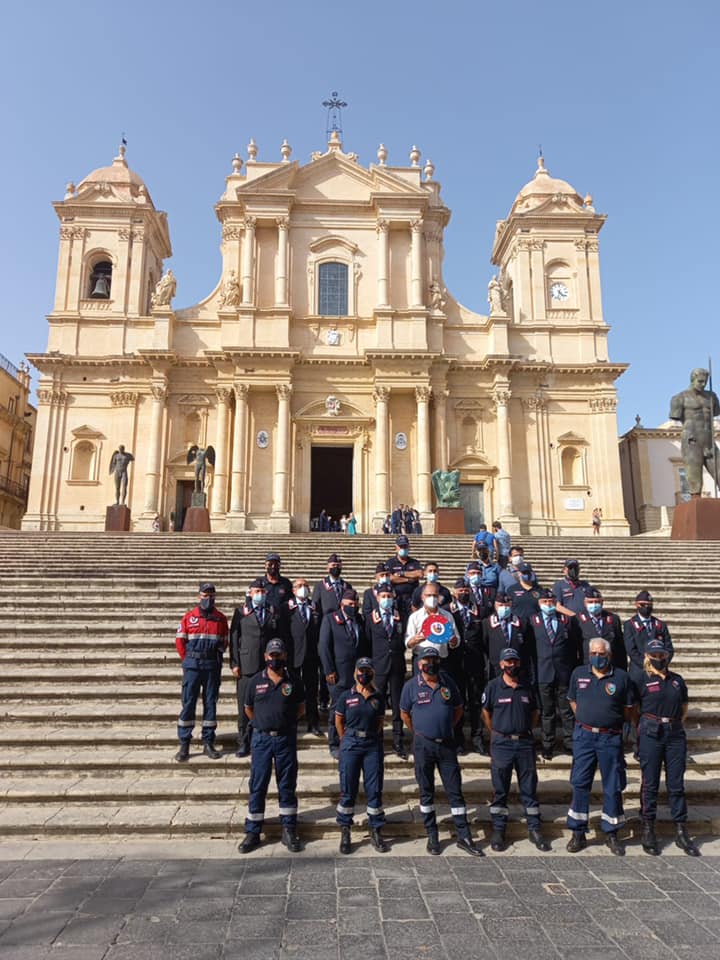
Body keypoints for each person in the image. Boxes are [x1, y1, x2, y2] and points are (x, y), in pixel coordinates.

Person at [400, 645, 483, 856]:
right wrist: (420, 731)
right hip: (423, 745)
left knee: (455, 791)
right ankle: (432, 836)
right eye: (426, 660)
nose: (431, 664)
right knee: (426, 792)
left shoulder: (448, 683)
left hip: (446, 744)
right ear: (419, 663)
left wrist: (445, 727)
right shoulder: (411, 686)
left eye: (434, 660)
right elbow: (404, 714)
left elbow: (458, 709)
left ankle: (464, 836)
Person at [632, 638, 699, 856]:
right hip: (651, 732)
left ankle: (681, 829)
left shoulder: (677, 680)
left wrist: (673, 724)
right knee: (649, 784)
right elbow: (633, 710)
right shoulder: (641, 679)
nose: (659, 659)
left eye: (662, 655)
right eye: (655, 655)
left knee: (676, 784)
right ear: (647, 656)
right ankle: (648, 828)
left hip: (675, 734)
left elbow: (684, 707)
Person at [566, 637, 633, 855]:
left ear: (609, 655)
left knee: (613, 786)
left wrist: (607, 722)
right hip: (584, 737)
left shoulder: (622, 677)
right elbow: (573, 701)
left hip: (609, 738)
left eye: (601, 653)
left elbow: (628, 710)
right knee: (579, 783)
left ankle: (612, 833)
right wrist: (588, 719)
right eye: (593, 653)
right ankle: (578, 832)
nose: (597, 657)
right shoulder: (578, 674)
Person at [481, 648, 551, 852]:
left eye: (514, 662)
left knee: (529, 788)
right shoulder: (493, 686)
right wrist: (495, 731)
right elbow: (485, 712)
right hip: (502, 743)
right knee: (500, 789)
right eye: (507, 662)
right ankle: (498, 830)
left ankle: (535, 829)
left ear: (519, 664)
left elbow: (535, 712)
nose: (511, 665)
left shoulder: (527, 686)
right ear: (501, 664)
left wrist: (524, 729)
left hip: (524, 743)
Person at [239, 639, 305, 854]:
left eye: (278, 655)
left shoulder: (293, 681)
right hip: (262, 740)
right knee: (258, 784)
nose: (274, 659)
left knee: (287, 784)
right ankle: (253, 831)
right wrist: (263, 724)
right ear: (266, 656)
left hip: (285, 739)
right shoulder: (255, 681)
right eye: (271, 655)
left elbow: (301, 709)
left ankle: (288, 828)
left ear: (284, 656)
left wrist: (282, 723)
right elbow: (248, 709)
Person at [335, 657, 389, 854]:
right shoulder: (345, 696)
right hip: (351, 743)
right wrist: (347, 740)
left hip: (372, 744)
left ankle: (376, 829)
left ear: (372, 673)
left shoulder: (378, 697)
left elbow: (380, 721)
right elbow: (338, 721)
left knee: (374, 789)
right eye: (361, 670)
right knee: (348, 789)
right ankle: (345, 830)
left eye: (367, 671)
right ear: (355, 673)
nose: (363, 674)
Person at [174, 582, 229, 762]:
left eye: (211, 596)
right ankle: (184, 743)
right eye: (205, 596)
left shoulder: (220, 618)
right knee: (188, 703)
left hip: (211, 665)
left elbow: (224, 641)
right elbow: (180, 641)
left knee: (210, 703)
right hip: (192, 665)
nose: (208, 599)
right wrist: (187, 660)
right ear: (199, 597)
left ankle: (208, 741)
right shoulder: (189, 617)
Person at [230, 579, 282, 757]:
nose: (260, 593)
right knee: (244, 705)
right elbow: (234, 639)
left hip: (266, 666)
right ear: (250, 593)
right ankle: (243, 742)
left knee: (266, 704)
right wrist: (235, 663)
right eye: (256, 591)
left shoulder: (272, 611)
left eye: (262, 590)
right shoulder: (240, 612)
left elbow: (277, 637)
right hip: (246, 664)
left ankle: (261, 739)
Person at [527, 588, 580, 760]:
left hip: (563, 671)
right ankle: (547, 744)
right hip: (543, 672)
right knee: (547, 711)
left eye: (551, 602)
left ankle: (569, 742)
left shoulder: (566, 620)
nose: (548, 605)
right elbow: (530, 649)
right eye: (545, 602)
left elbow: (574, 646)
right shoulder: (532, 621)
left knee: (566, 710)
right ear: (539, 603)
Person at [319, 588, 367, 758]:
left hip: (357, 675)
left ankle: (352, 740)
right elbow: (323, 647)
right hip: (338, 674)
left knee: (356, 709)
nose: (353, 607)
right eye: (349, 604)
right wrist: (329, 670)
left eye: (355, 604)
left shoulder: (359, 619)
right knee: (336, 710)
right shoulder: (330, 619)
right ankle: (334, 743)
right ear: (341, 604)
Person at [365, 584, 408, 759]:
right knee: (377, 705)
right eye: (383, 596)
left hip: (397, 666)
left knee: (397, 705)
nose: (386, 599)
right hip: (379, 667)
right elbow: (367, 642)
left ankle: (398, 741)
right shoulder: (371, 618)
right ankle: (378, 739)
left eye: (389, 596)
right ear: (377, 598)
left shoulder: (400, 616)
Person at [450, 578, 487, 755]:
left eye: (466, 590)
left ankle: (477, 738)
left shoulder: (479, 610)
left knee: (475, 702)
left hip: (475, 662)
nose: (464, 592)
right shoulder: (448, 611)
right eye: (460, 590)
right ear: (454, 592)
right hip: (455, 663)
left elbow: (485, 637)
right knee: (458, 702)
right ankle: (458, 740)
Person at [669, 367, 720, 495]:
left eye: (705, 382)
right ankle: (695, 501)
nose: (703, 385)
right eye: (700, 381)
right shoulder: (679, 398)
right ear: (693, 379)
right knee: (694, 477)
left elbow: (716, 412)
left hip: (709, 441)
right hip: (692, 441)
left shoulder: (712, 397)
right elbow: (675, 415)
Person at [285, 578, 323, 736]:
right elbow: (283, 632)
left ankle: (313, 722)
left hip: (311, 656)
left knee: (312, 690)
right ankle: (291, 720)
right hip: (293, 655)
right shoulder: (286, 608)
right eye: (299, 586)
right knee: (291, 689)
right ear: (293, 590)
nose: (303, 588)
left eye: (306, 585)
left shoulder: (315, 607)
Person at [623, 590, 674, 687]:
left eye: (649, 605)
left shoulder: (660, 625)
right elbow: (631, 650)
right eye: (643, 604)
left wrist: (661, 664)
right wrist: (647, 665)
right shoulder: (629, 625)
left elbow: (669, 648)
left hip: (660, 671)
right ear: (637, 605)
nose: (646, 607)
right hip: (638, 671)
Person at [483, 591, 531, 682]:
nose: (504, 608)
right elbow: (485, 644)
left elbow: (527, 646)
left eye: (507, 605)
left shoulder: (522, 622)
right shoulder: (487, 623)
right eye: (500, 605)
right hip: (496, 669)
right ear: (495, 606)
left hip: (517, 668)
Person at [576, 588, 626, 669]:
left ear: (602, 602)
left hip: (610, 665)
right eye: (590, 602)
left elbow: (620, 647)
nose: (594, 604)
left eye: (597, 602)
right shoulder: (577, 620)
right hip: (587, 666)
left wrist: (623, 667)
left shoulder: (613, 619)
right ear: (585, 603)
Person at [386, 535, 423, 630]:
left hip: (412, 599)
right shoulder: (390, 563)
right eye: (401, 546)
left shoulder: (414, 562)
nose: (403, 548)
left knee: (412, 626)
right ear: (396, 547)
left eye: (405, 546)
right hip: (397, 599)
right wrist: (408, 579)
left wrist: (401, 573)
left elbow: (419, 574)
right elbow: (390, 578)